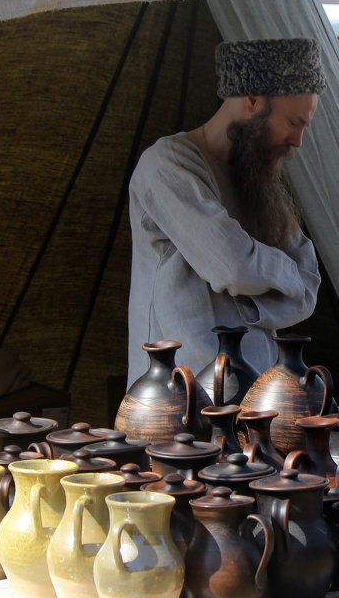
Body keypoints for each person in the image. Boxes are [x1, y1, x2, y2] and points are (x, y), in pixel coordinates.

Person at [127, 38, 324, 382]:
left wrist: (249, 301)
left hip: (256, 393)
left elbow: (309, 285)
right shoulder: (167, 165)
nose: (298, 140)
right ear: (251, 101)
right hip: (180, 401)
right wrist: (273, 284)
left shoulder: (257, 179)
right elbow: (233, 268)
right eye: (294, 122)